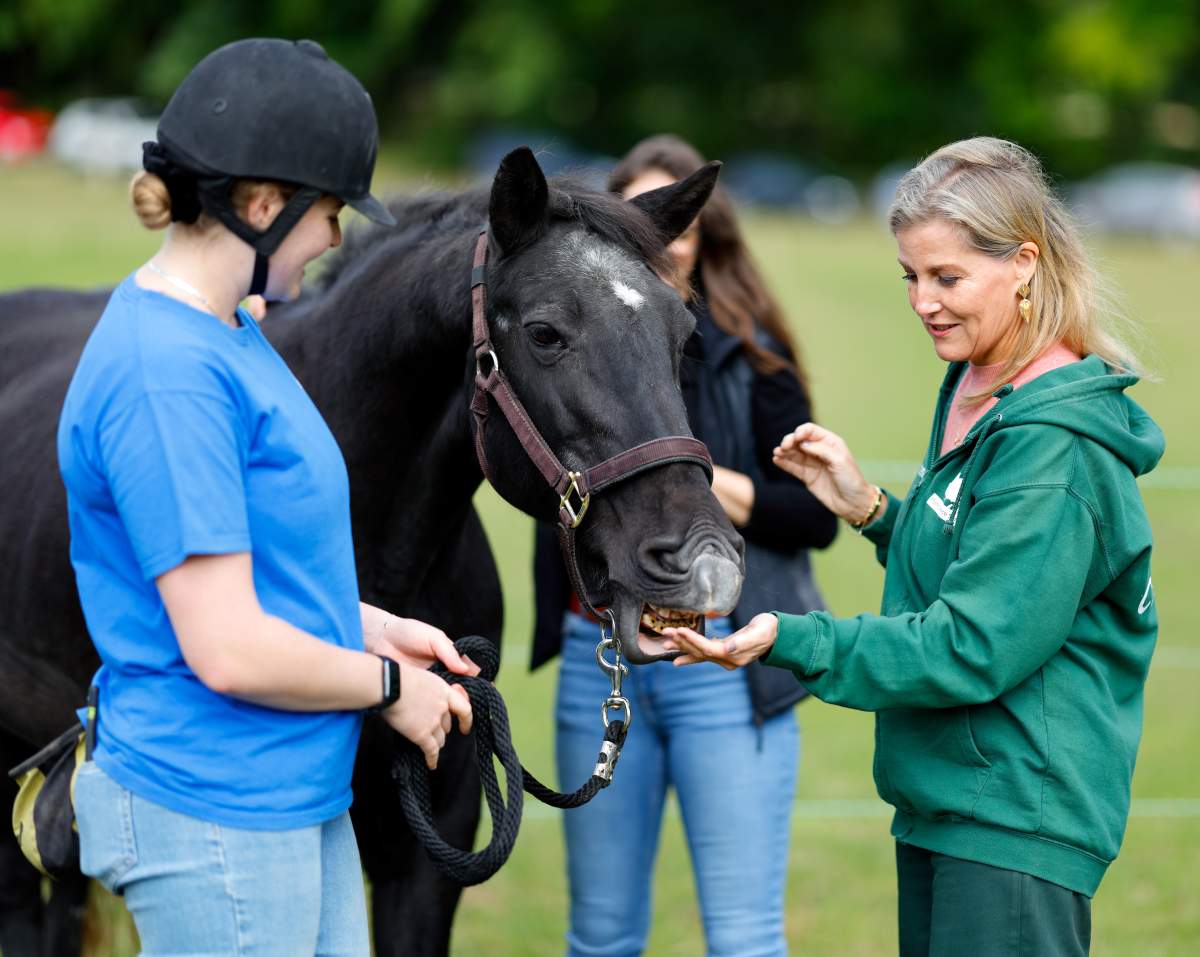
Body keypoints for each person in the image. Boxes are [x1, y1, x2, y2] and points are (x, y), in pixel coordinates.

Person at [664, 137, 1164, 957]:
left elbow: (974, 642)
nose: (923, 301)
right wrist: (873, 511)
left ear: (1025, 265)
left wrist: (789, 633)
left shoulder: (1054, 445)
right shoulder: (979, 384)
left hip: (1014, 817)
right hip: (948, 798)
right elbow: (990, 560)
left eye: (947, 277)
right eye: (911, 275)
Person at [57, 39, 476, 954]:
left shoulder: (232, 333)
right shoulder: (165, 377)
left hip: (284, 797)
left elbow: (256, 566)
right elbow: (231, 649)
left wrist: (363, 623)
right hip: (216, 814)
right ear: (260, 207)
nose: (335, 239)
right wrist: (390, 687)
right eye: (328, 213)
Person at [531, 134, 837, 957]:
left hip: (722, 661)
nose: (657, 244)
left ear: (705, 239)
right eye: (634, 225)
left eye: (676, 226)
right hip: (599, 655)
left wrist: (703, 485)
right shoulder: (568, 351)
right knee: (600, 936)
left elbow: (812, 516)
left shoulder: (752, 355)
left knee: (742, 939)